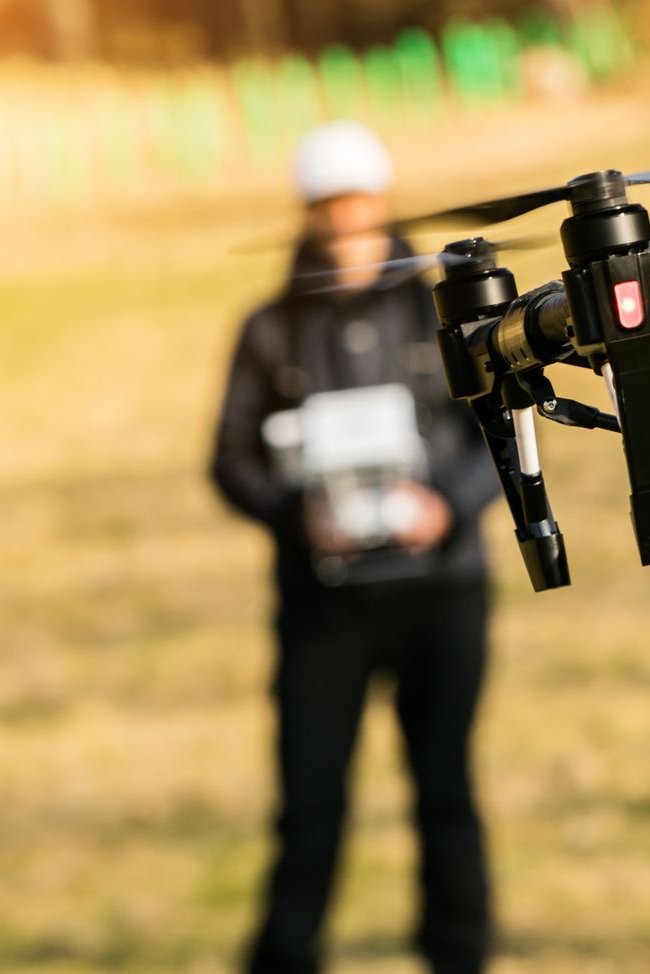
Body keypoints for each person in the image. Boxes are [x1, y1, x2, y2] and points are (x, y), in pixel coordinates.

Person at [210, 121, 501, 974]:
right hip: (324, 604)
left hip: (442, 592)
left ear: (382, 203)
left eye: (358, 202)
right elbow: (229, 459)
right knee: (310, 809)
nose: (345, 221)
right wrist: (299, 517)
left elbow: (500, 431)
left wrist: (442, 507)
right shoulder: (269, 330)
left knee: (445, 793)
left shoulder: (444, 307)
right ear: (306, 214)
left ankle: (460, 954)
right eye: (327, 206)